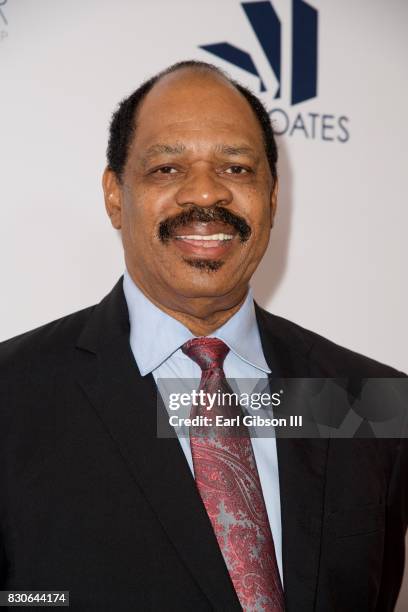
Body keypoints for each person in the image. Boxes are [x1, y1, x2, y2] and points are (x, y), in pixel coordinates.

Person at [0, 60, 406, 612]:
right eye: (167, 169)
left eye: (237, 169)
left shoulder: (371, 401)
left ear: (273, 197)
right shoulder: (13, 395)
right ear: (115, 195)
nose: (206, 194)